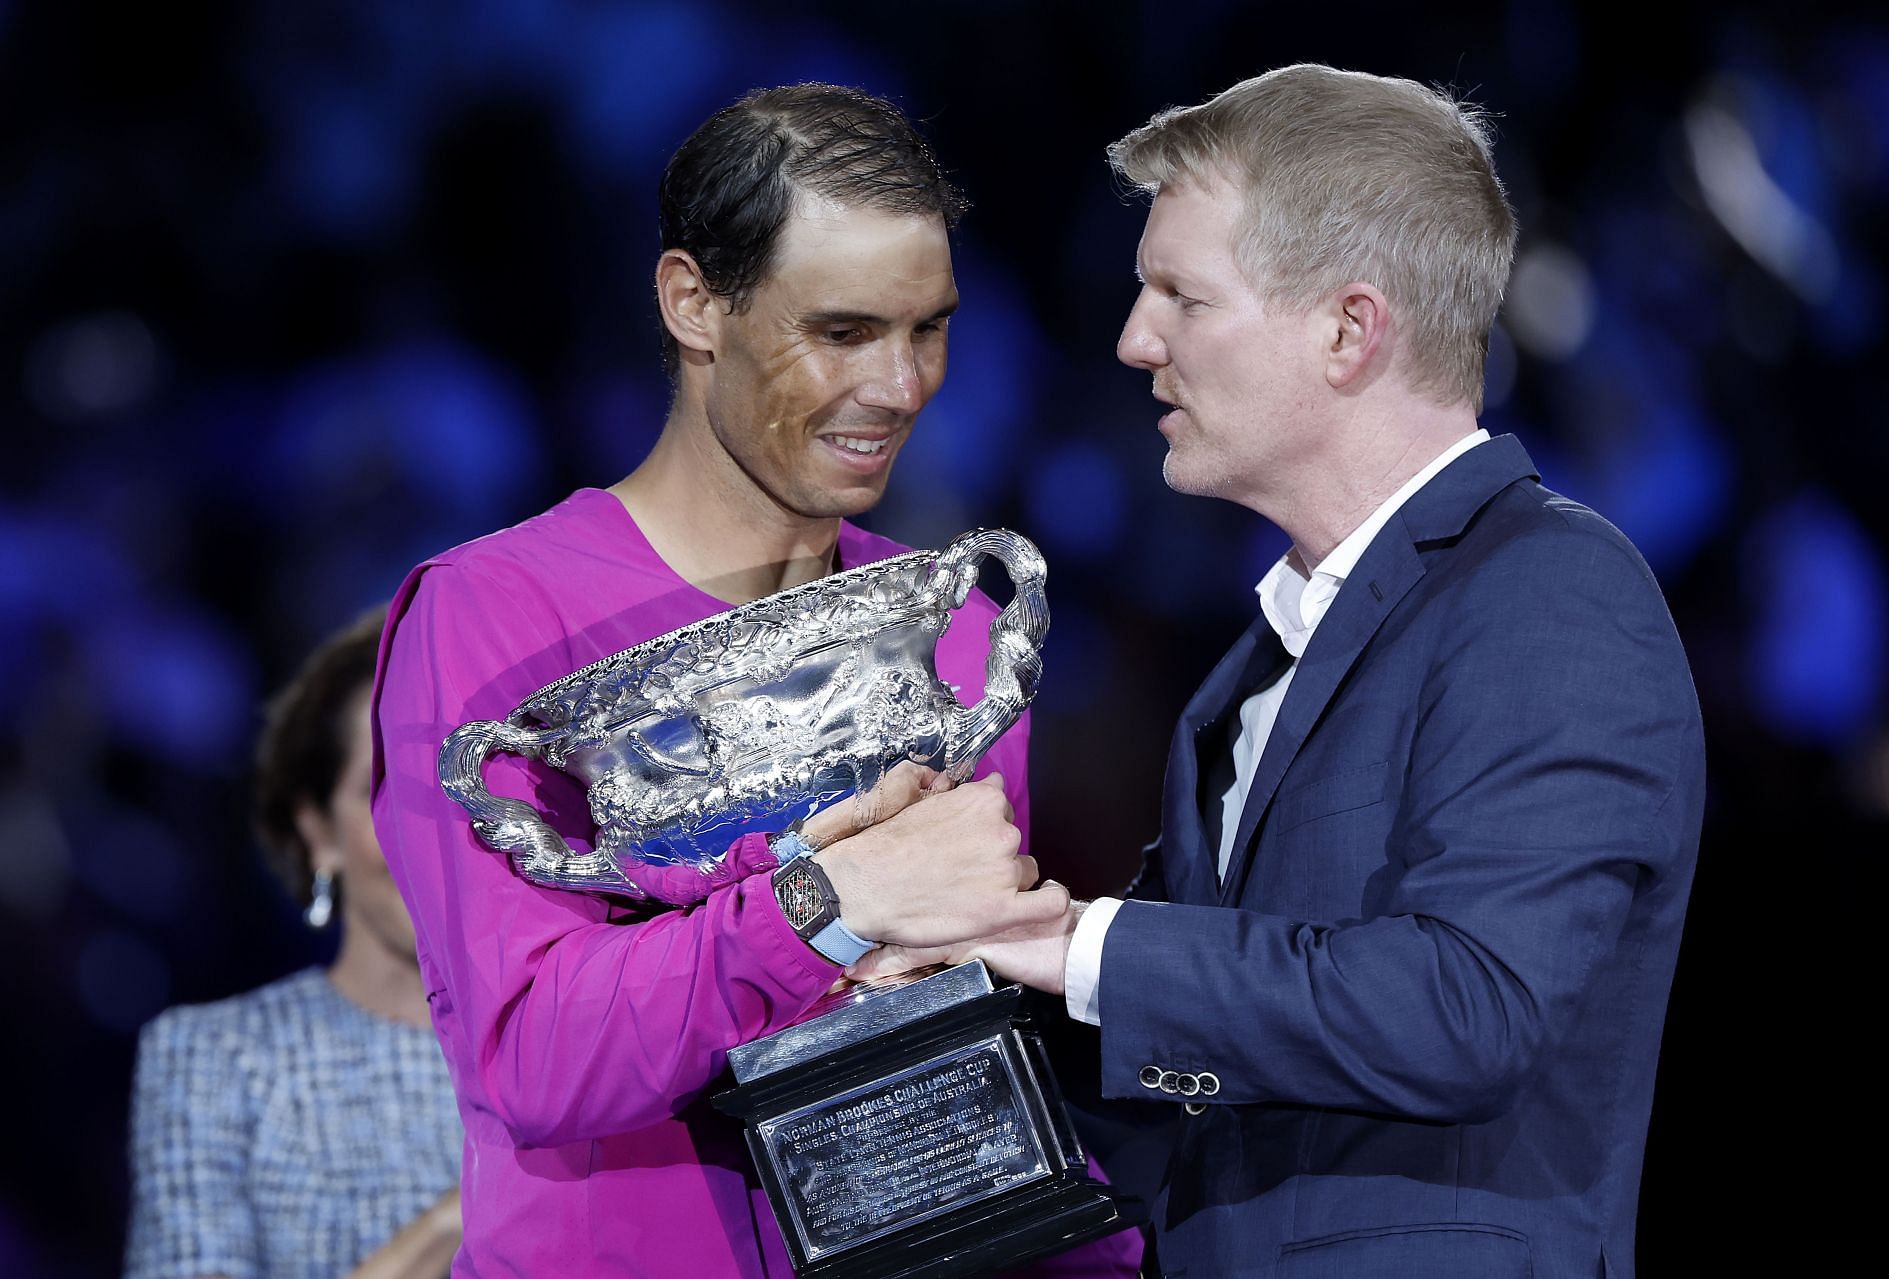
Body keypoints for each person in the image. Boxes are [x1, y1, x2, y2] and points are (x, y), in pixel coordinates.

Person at [860, 65, 1704, 1279]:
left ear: (1349, 332)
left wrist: (1074, 942)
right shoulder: (1262, 659)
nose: (1133, 339)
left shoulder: (1551, 593)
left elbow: (1470, 1007)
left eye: (1182, 297)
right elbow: (1204, 1043)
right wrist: (915, 961)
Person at [370, 84, 1139, 1275]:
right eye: (840, 332)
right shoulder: (492, 613)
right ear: (693, 304)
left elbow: (947, 1055)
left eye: (927, 328)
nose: (900, 386)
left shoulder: (951, 629)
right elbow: (533, 1055)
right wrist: (834, 901)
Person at [125, 610, 464, 1279]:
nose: (428, 834)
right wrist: (466, 1216)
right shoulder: (218, 1059)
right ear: (319, 833)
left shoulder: (573, 1038)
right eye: (385, 791)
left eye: (458, 784)